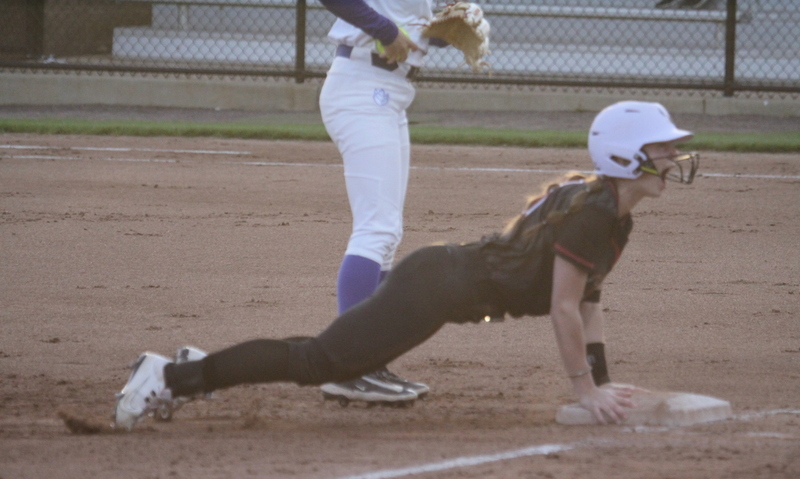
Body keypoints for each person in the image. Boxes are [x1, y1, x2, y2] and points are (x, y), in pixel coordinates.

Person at [114, 101, 700, 431]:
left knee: (323, 354)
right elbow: (565, 307)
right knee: (318, 361)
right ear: (627, 154)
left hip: (439, 285)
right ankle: (169, 379)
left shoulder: (611, 211)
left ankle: (201, 367)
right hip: (433, 288)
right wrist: (584, 389)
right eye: (663, 148)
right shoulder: (597, 212)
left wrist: (599, 380)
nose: (674, 157)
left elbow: (588, 300)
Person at [311, 0, 463, 403]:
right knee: (376, 228)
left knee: (388, 232)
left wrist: (447, 30)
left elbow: (418, 29)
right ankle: (349, 363)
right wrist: (382, 28)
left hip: (392, 91)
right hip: (362, 85)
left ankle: (368, 360)